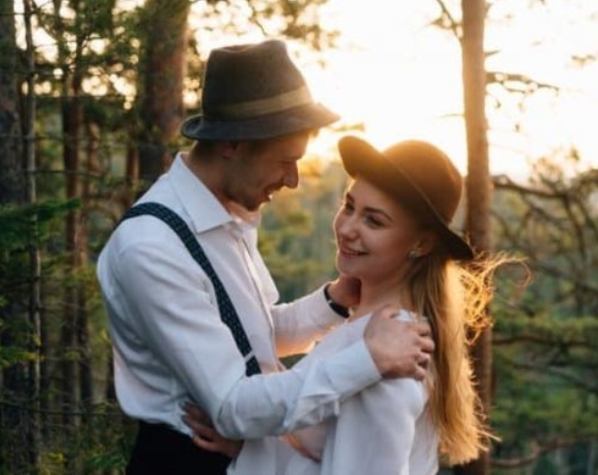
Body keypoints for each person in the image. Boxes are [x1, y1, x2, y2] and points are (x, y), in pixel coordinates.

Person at [96, 40, 435, 475]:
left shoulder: (228, 214)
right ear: (233, 144)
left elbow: (247, 336)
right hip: (189, 459)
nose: (293, 180)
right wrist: (366, 360)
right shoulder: (150, 249)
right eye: (285, 160)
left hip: (244, 452)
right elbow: (233, 407)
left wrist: (332, 301)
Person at [187, 135, 506, 474]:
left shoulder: (390, 357)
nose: (347, 228)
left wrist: (250, 451)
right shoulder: (375, 333)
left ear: (422, 243)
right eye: (349, 206)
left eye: (374, 221)